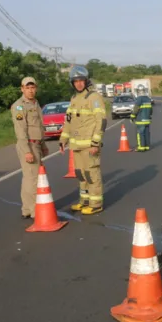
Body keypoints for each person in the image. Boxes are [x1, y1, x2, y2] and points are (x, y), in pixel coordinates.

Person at [59, 65, 106, 215]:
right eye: (76, 81)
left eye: (81, 80)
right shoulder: (74, 99)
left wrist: (95, 143)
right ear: (72, 83)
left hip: (89, 145)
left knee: (92, 174)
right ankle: (84, 201)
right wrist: (63, 140)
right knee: (81, 174)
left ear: (86, 81)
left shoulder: (94, 98)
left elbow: (101, 121)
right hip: (77, 145)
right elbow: (68, 121)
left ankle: (96, 203)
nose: (79, 83)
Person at [11, 77, 49, 219]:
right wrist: (27, 151)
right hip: (28, 145)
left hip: (37, 144)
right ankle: (34, 210)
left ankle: (27, 209)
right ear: (22, 89)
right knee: (33, 179)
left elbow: (39, 126)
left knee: (29, 178)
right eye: (27, 88)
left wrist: (43, 144)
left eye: (32, 87)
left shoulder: (35, 103)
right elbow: (21, 130)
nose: (30, 90)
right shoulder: (19, 106)